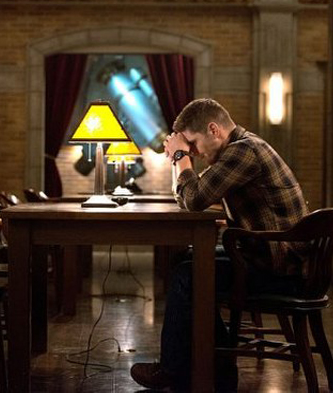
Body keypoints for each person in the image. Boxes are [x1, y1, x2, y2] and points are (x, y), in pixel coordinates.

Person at [130, 98, 310, 390]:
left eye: (193, 144)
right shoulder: (241, 147)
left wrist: (180, 156)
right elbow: (188, 197)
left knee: (187, 274)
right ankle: (217, 366)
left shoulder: (243, 151)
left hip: (280, 270)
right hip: (269, 257)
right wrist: (180, 157)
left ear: (214, 130)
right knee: (186, 262)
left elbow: (194, 199)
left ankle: (177, 370)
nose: (195, 153)